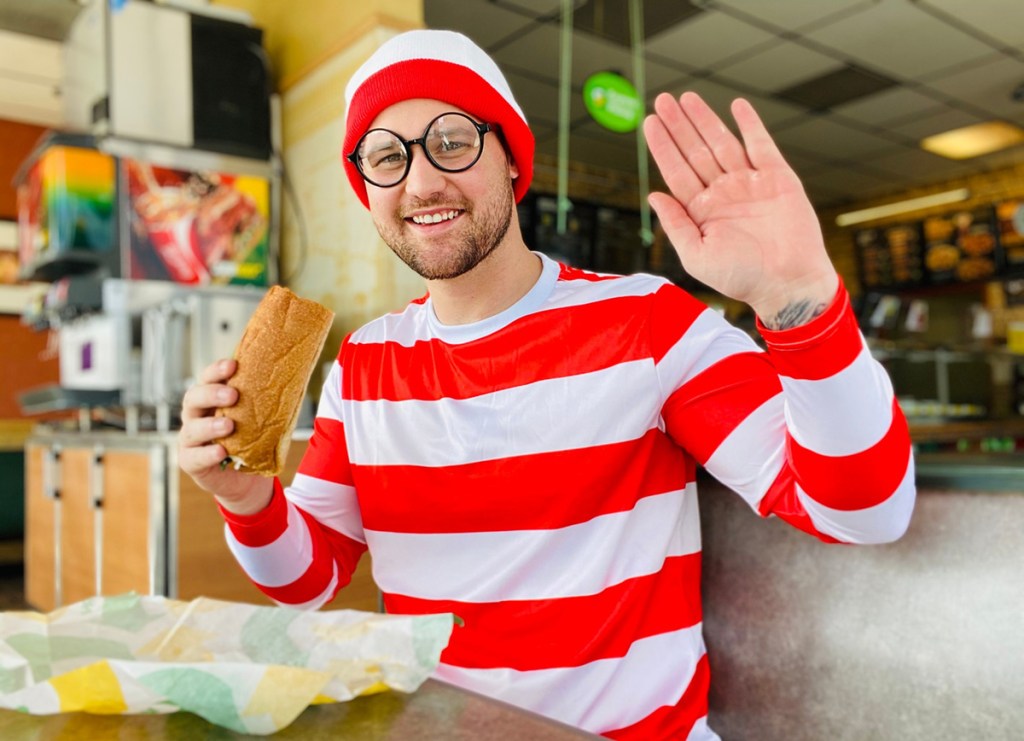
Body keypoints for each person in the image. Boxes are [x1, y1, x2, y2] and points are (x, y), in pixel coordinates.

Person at [178, 29, 916, 741]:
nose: (423, 180)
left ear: (509, 160)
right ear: (367, 188)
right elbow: (307, 578)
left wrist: (803, 303)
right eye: (385, 157)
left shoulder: (647, 322)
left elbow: (865, 510)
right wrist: (246, 498)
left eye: (452, 141)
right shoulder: (365, 362)